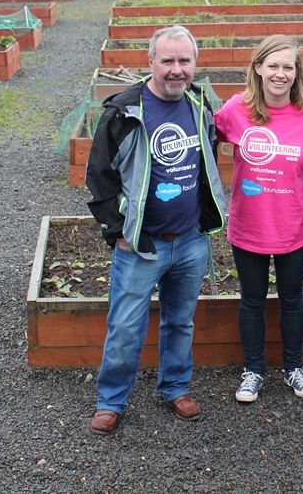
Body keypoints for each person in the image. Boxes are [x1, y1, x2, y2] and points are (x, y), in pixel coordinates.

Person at [86, 25, 227, 434]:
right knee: (126, 326)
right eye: (168, 60)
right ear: (151, 63)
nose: (177, 70)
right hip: (140, 247)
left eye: (184, 61)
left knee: (180, 322)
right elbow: (99, 178)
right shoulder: (124, 113)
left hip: (189, 241)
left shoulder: (199, 106)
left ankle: (176, 387)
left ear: (194, 65)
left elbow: (205, 166)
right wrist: (118, 231)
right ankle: (111, 400)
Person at [214, 35, 303, 403]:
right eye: (273, 65)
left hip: (292, 226)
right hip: (249, 225)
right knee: (251, 299)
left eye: (288, 67)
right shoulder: (235, 110)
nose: (280, 74)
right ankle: (253, 370)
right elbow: (203, 141)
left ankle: (294, 368)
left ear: (297, 74)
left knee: (292, 298)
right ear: (258, 68)